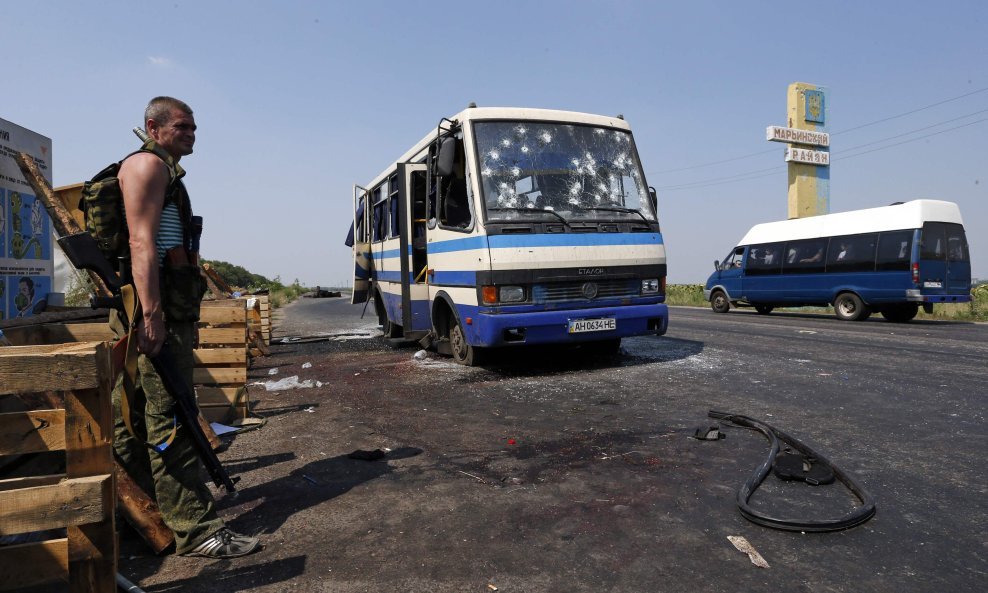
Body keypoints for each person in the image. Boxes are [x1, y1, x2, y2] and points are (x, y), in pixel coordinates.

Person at [112, 97, 260, 558]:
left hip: (157, 311)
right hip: (152, 314)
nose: (191, 134)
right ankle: (197, 531)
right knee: (170, 419)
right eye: (182, 127)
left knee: (134, 417)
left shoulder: (164, 170)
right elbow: (143, 241)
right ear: (153, 127)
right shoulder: (147, 167)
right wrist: (153, 315)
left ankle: (141, 513)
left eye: (194, 127)